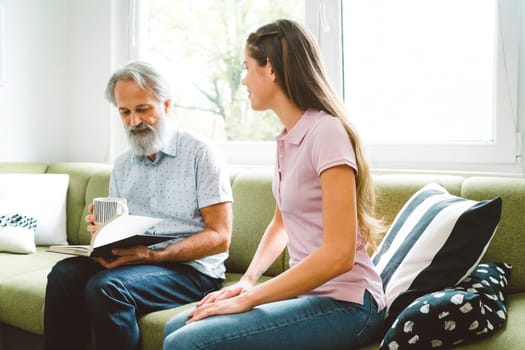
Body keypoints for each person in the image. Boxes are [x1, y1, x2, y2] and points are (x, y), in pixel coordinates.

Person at [163, 19, 386, 350]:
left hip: (350, 303)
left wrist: (251, 298)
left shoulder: (327, 132)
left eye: (247, 67)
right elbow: (281, 223)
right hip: (308, 296)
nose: (243, 79)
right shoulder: (287, 138)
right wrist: (248, 280)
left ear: (271, 69)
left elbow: (339, 256)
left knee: (186, 344)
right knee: (176, 326)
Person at [44, 60, 233, 350]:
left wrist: (154, 256)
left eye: (143, 109)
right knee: (64, 274)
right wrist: (103, 236)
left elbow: (220, 237)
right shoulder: (122, 163)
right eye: (125, 112)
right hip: (138, 262)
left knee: (106, 288)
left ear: (166, 106)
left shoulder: (201, 153)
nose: (134, 121)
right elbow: (121, 228)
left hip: (192, 270)